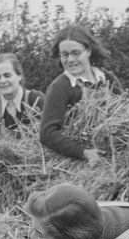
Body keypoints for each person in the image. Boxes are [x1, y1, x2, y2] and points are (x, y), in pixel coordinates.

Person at [38, 24, 122, 165]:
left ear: (88, 51)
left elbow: (127, 111)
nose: (70, 60)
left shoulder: (107, 78)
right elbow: (47, 133)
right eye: (64, 55)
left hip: (116, 153)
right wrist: (83, 152)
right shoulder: (60, 87)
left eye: (76, 53)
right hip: (82, 161)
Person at [0, 52, 45, 143]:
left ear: (19, 76)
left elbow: (49, 132)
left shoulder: (35, 99)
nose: (2, 81)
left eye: (7, 75)